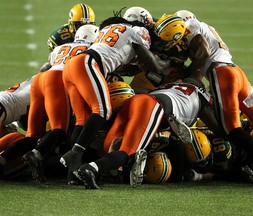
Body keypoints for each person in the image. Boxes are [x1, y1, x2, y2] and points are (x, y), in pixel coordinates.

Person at [165, 10, 253, 185]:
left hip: (222, 74)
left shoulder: (191, 27)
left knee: (231, 129)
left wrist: (185, 72)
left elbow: (204, 53)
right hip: (237, 72)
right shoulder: (206, 27)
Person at [59, 14, 171, 178]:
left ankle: (72, 173)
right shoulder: (138, 31)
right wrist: (167, 63)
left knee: (82, 120)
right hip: (88, 64)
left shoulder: (111, 30)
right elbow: (154, 65)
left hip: (73, 66)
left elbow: (118, 64)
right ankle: (74, 154)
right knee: (103, 111)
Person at [72, 79, 220, 189]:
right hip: (155, 107)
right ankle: (91, 169)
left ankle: (91, 171)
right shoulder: (204, 100)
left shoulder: (180, 86)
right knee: (128, 151)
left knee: (108, 146)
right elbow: (221, 130)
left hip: (136, 100)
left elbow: (141, 90)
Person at [0, 25, 99, 182]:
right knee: (60, 130)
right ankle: (36, 154)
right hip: (57, 81)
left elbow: (46, 66)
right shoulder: (91, 49)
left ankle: (4, 158)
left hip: (39, 80)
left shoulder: (62, 47)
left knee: (33, 135)